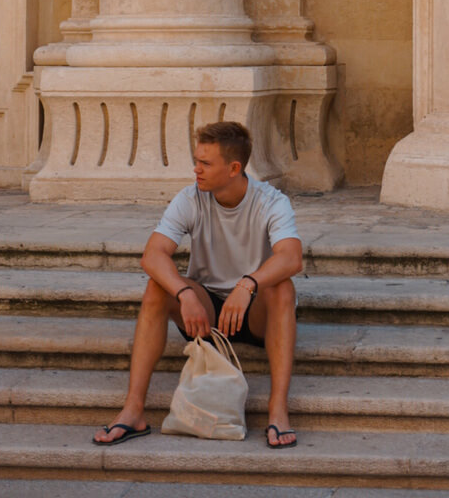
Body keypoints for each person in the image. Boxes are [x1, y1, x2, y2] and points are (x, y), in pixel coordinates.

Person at [93, 120, 303, 450]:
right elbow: (153, 255)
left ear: (234, 168)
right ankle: (133, 410)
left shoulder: (271, 202)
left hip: (254, 314)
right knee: (156, 287)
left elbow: (291, 258)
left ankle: (278, 410)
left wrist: (247, 284)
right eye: (196, 160)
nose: (196, 169)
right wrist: (184, 292)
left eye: (205, 163)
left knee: (283, 288)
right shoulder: (190, 198)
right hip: (204, 313)